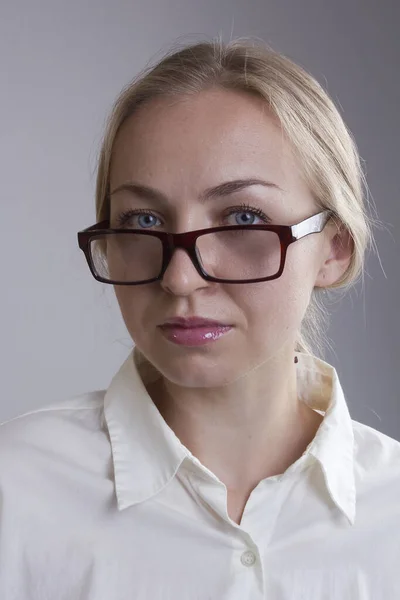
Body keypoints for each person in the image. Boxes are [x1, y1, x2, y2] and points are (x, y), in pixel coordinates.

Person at [0, 37, 399, 600]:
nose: (179, 279)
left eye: (242, 216)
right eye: (142, 220)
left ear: (333, 248)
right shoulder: (15, 491)